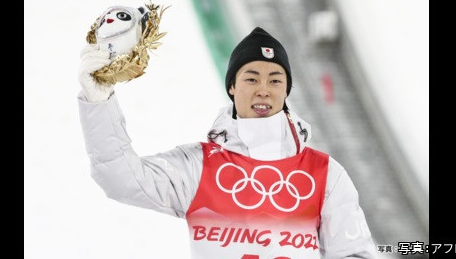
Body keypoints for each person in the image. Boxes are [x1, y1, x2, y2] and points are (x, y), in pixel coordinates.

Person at [78, 27, 377, 258]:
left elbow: (354, 252)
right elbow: (120, 179)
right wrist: (99, 100)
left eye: (275, 80)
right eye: (251, 79)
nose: (263, 90)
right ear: (232, 87)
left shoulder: (324, 174)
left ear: (287, 90)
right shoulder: (198, 166)